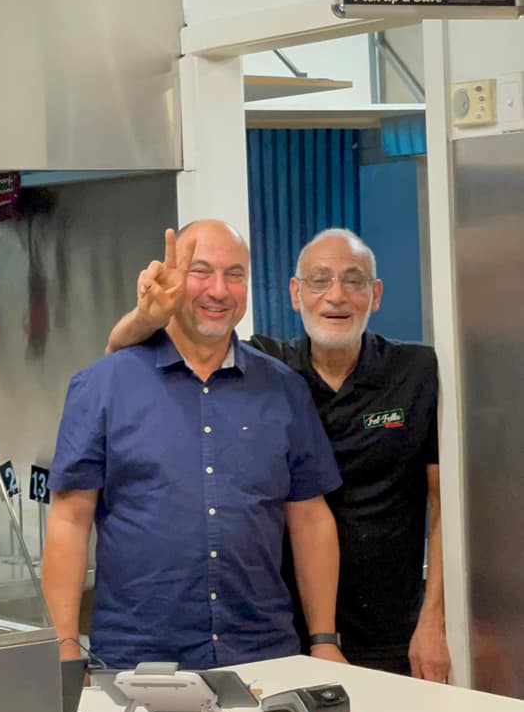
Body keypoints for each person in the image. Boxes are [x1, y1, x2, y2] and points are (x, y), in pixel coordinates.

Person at [107, 226, 450, 682]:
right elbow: (122, 357)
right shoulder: (268, 370)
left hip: (394, 631)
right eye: (319, 281)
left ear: (376, 295)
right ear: (294, 293)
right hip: (281, 635)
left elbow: (446, 505)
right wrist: (144, 317)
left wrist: (435, 619)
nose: (336, 296)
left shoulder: (417, 372)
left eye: (354, 281)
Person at [42, 220, 345, 671]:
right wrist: (64, 649)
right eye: (200, 272)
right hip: (138, 662)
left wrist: (323, 639)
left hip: (264, 657)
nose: (218, 290)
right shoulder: (102, 385)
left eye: (234, 274)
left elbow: (310, 519)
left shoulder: (283, 389)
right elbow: (69, 520)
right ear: (171, 278)